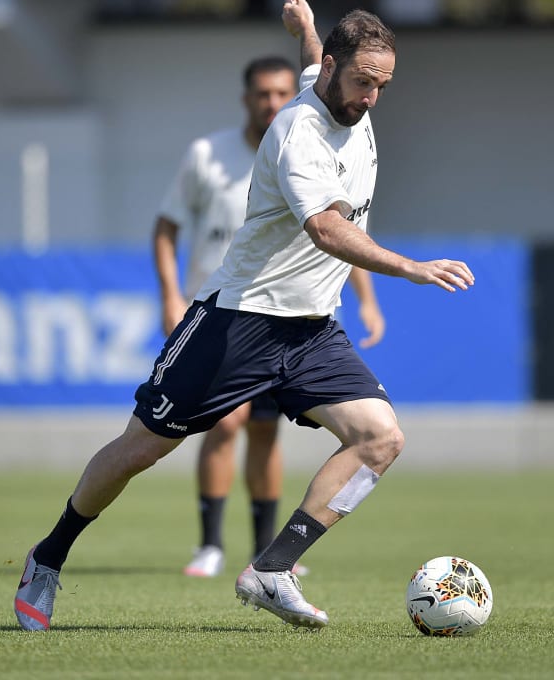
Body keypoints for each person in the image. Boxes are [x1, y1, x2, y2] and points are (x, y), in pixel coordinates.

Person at [14, 0, 473, 632]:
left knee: (380, 438)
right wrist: (410, 267)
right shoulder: (297, 131)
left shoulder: (339, 88)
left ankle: (272, 568)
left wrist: (306, 28)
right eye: (364, 81)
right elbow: (326, 229)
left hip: (312, 330)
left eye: (382, 87)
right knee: (139, 450)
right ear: (338, 72)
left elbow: (319, 60)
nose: (371, 98)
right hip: (238, 322)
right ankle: (48, 557)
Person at [152, 56, 385, 578]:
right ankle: (210, 544)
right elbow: (165, 227)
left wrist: (367, 298)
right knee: (223, 425)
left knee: (263, 433)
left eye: (282, 92)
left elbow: (342, 234)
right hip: (225, 313)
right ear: (247, 98)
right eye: (263, 94)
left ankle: (266, 552)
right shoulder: (208, 154)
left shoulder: (315, 142)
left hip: (285, 314)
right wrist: (170, 296)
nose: (273, 102)